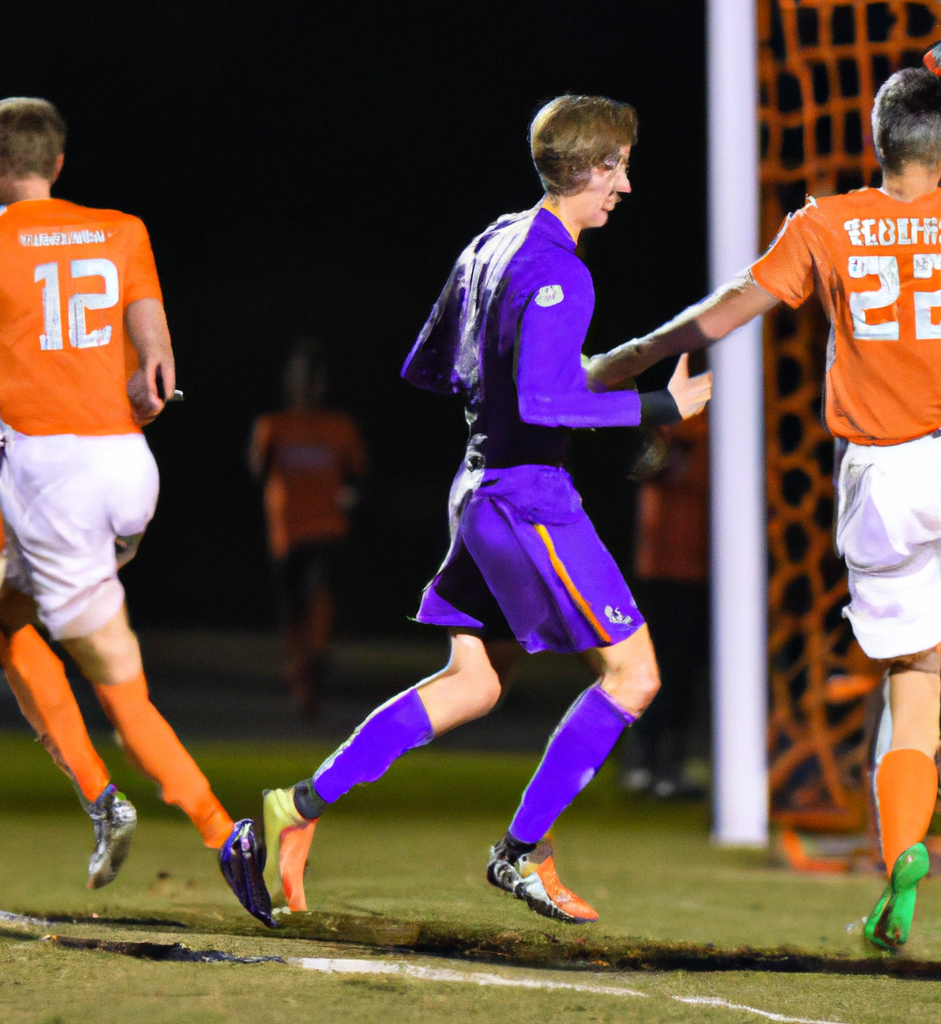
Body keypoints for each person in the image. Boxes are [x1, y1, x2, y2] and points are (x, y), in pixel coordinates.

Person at [586, 65, 941, 949]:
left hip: (882, 478)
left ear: (875, 141)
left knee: (914, 683)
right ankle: (932, 648)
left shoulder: (826, 223)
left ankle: (902, 851)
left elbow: (726, 312)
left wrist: (631, 356)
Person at [262, 94, 712, 922]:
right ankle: (519, 854)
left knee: (472, 683)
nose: (627, 186)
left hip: (476, 488)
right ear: (589, 168)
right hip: (527, 496)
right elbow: (543, 399)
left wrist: (555, 381)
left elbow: (436, 364)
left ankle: (294, 808)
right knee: (635, 675)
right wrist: (657, 409)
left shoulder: (491, 240)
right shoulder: (558, 268)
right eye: (618, 168)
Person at [0, 97, 273, 926]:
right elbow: (157, 371)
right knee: (12, 615)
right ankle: (110, 802)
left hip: (53, 480)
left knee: (117, 690)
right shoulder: (122, 229)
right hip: (129, 472)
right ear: (60, 161)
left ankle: (215, 829)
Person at [249, 339, 367, 716]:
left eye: (315, 379)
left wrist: (349, 493)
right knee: (292, 607)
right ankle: (301, 670)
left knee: (319, 591)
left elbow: (359, 475)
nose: (309, 386)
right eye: (303, 378)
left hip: (328, 527)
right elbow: (258, 471)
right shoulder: (273, 426)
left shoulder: (340, 427)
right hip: (287, 531)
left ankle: (313, 660)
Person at [621, 413, 710, 798]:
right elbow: (642, 470)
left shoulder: (710, 431)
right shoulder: (666, 430)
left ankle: (670, 761)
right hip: (657, 566)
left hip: (695, 567)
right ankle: (644, 759)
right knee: (652, 667)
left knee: (683, 670)